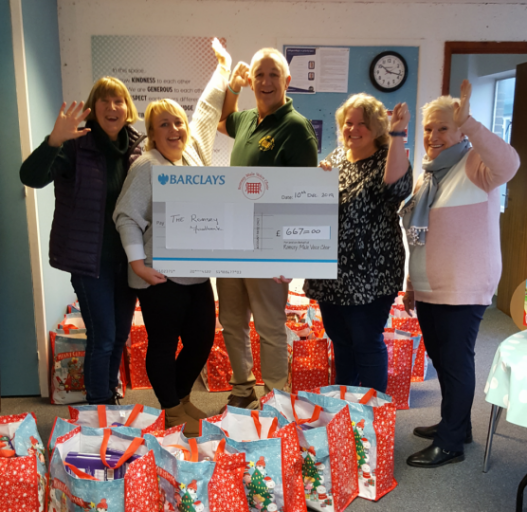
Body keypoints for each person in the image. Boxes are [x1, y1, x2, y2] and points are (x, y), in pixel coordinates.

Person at [113, 39, 232, 434]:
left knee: (200, 342)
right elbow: (125, 216)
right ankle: (171, 406)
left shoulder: (193, 154)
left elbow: (206, 113)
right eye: (163, 124)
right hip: (159, 274)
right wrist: (139, 266)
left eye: (177, 121)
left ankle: (180, 398)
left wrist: (223, 68)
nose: (174, 129)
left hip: (197, 274)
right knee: (163, 345)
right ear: (151, 133)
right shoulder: (147, 166)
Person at [402, 80, 520, 468]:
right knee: (442, 357)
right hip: (431, 287)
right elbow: (421, 240)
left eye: (443, 128)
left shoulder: (477, 166)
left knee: (455, 361)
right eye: (428, 129)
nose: (433, 136)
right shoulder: (429, 176)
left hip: (463, 287)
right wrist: (412, 283)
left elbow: (510, 163)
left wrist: (470, 122)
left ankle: (451, 442)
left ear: (460, 130)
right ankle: (457, 425)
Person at [20, 78, 144, 405]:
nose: (112, 107)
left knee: (118, 336)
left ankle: (109, 395)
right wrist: (53, 141)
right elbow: (31, 177)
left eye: (118, 101)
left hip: (128, 260)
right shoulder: (75, 145)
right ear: (93, 108)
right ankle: (97, 407)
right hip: (90, 261)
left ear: (127, 108)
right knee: (102, 338)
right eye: (104, 100)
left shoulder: (136, 147)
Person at [216, 48, 318, 409]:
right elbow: (221, 118)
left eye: (273, 74)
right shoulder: (245, 120)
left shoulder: (296, 128)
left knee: (270, 327)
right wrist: (232, 84)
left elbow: (308, 198)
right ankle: (242, 389)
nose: (265, 82)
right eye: (259, 75)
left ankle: (276, 397)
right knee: (231, 321)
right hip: (232, 243)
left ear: (287, 81)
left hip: (269, 249)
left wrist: (291, 256)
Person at [303, 94, 413, 393]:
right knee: (340, 340)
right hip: (330, 272)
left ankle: (375, 413)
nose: (353, 129)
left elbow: (396, 187)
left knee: (366, 342)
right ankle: (347, 407)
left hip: (371, 274)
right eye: (348, 123)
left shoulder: (388, 158)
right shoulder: (337, 158)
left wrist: (398, 133)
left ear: (377, 127)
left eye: (362, 124)